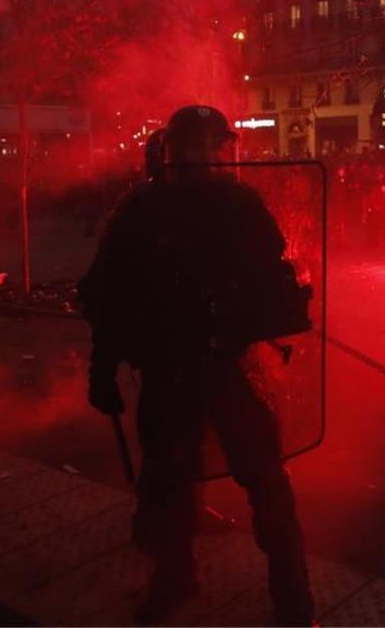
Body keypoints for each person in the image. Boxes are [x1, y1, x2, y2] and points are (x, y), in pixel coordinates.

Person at [79, 106, 315, 625]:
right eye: (197, 145)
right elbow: (110, 295)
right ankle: (181, 578)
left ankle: (290, 597)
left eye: (210, 145)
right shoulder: (145, 209)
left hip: (218, 369)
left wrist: (278, 306)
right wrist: (102, 368)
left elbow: (270, 283)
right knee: (173, 485)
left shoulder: (223, 204)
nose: (203, 155)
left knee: (261, 484)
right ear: (174, 150)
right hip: (177, 370)